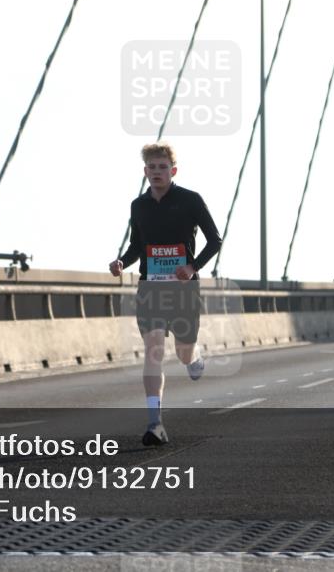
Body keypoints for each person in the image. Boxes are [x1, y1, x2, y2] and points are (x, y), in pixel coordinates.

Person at [109, 142, 222, 446]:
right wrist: (122, 262)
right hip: (150, 287)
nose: (157, 172)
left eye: (162, 167)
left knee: (183, 352)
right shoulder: (138, 205)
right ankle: (155, 422)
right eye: (152, 167)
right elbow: (137, 245)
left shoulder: (190, 200)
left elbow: (215, 240)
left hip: (183, 288)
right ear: (145, 171)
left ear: (173, 170)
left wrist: (192, 267)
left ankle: (193, 357)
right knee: (154, 350)